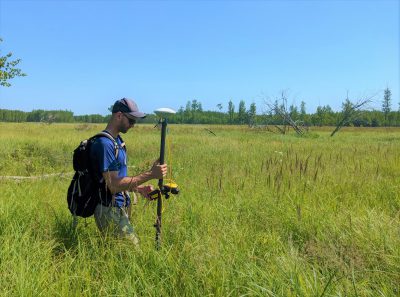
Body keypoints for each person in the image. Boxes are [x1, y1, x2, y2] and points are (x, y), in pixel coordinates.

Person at [90, 98, 167, 245]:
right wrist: (151, 174)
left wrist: (139, 189)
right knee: (132, 253)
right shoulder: (105, 144)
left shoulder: (117, 141)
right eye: (131, 120)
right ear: (119, 115)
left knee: (116, 255)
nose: (133, 125)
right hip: (108, 209)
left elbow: (117, 180)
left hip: (118, 206)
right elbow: (113, 185)